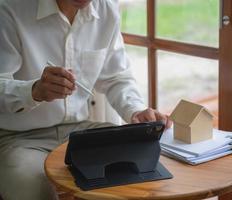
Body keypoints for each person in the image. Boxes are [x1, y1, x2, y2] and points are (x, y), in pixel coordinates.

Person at [0, 0, 172, 199]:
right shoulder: (10, 9)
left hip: (81, 132)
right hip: (19, 138)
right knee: (32, 187)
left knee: (141, 168)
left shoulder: (106, 9)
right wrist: (34, 91)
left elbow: (117, 77)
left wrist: (135, 110)